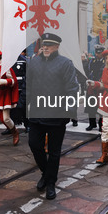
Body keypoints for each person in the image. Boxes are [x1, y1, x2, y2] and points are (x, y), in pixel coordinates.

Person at [27, 33, 78, 200]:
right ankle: (46, 173)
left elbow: (72, 89)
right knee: (34, 145)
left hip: (57, 115)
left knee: (54, 152)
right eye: (44, 44)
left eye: (49, 45)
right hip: (36, 114)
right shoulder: (33, 62)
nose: (46, 47)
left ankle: (50, 183)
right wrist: (24, 108)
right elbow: (28, 85)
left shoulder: (65, 63)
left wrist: (70, 111)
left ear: (57, 47)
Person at [0, 49, 20, 146]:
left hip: (3, 95)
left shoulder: (5, 67)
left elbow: (13, 81)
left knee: (5, 118)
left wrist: (4, 82)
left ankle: (15, 132)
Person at [85, 45, 106, 131]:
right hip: (91, 86)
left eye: (99, 53)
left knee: (101, 107)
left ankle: (101, 124)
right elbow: (88, 72)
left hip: (100, 86)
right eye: (96, 53)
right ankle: (92, 124)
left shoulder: (105, 62)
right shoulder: (92, 61)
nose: (97, 54)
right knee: (91, 106)